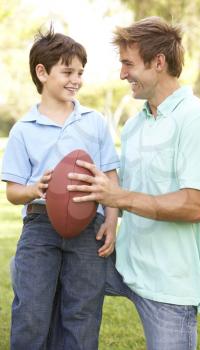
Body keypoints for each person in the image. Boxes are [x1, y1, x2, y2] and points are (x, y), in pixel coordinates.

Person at [66, 16, 200, 350]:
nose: (122, 74)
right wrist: (93, 191)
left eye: (128, 64)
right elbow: (123, 191)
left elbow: (194, 206)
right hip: (123, 263)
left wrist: (119, 197)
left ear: (158, 62)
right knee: (46, 261)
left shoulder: (195, 120)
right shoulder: (136, 124)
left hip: (170, 286)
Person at [1, 26, 119, 350]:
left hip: (87, 226)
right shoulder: (23, 129)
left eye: (80, 72)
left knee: (82, 313)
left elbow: (110, 176)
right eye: (67, 71)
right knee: (31, 312)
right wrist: (35, 188)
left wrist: (110, 220)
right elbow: (13, 191)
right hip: (40, 226)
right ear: (42, 72)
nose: (76, 79)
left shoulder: (93, 122)